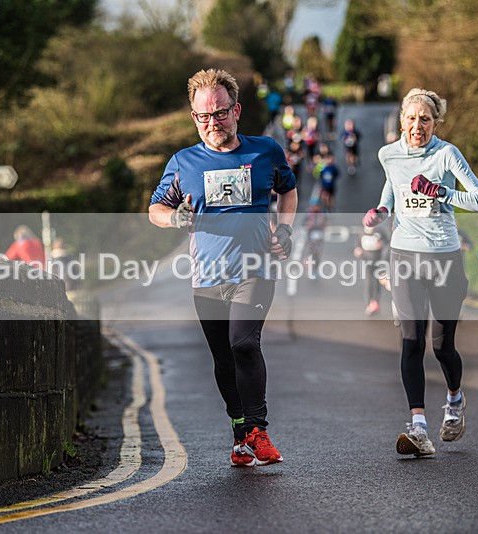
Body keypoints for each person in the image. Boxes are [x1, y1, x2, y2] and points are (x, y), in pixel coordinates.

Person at [149, 68, 297, 467]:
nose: (213, 123)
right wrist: (174, 218)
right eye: (203, 116)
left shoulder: (265, 151)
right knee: (223, 359)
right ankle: (240, 433)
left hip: (255, 268)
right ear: (194, 117)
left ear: (237, 111)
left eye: (220, 113)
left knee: (244, 344)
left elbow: (288, 190)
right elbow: (155, 209)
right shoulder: (183, 162)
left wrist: (285, 230)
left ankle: (258, 430)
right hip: (207, 277)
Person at [362, 87, 478, 457]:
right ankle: (418, 427)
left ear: (436, 123)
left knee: (442, 346)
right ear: (402, 120)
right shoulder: (389, 154)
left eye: (426, 120)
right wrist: (382, 211)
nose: (418, 126)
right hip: (404, 256)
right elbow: (393, 190)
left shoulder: (447, 154)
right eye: (412, 118)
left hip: (444, 258)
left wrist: (440, 192)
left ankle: (454, 401)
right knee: (411, 340)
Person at [353, 225, 386, 315]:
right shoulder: (361, 233)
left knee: (378, 281)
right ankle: (370, 303)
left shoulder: (379, 232)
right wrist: (358, 251)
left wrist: (381, 244)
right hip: (367, 261)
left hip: (378, 261)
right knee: (369, 282)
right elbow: (357, 246)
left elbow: (387, 241)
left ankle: (375, 301)